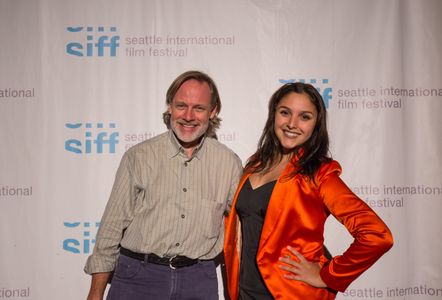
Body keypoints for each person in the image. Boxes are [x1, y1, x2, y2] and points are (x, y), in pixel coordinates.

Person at [223, 82, 393, 299]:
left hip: (290, 293)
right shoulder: (255, 164)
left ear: (316, 124)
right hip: (244, 292)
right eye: (285, 113)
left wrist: (327, 276)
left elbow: (377, 235)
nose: (292, 124)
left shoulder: (319, 175)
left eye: (305, 117)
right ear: (273, 114)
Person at [84, 70, 242, 300]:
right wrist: (95, 293)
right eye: (181, 106)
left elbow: (241, 231)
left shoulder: (228, 162)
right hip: (138, 277)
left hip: (198, 279)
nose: (188, 116)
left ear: (213, 111)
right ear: (170, 107)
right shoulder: (139, 156)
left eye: (199, 108)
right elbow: (112, 226)